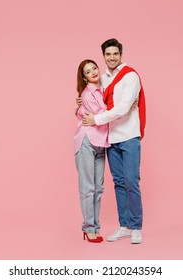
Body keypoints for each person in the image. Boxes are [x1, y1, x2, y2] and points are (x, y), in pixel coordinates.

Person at [82, 38, 146, 244]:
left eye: (115, 54)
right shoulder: (104, 78)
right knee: (118, 183)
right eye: (108, 54)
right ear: (104, 56)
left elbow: (123, 108)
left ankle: (136, 227)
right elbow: (91, 92)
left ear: (121, 54)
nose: (111, 57)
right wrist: (79, 103)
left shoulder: (130, 76)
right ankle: (124, 226)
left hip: (129, 135)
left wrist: (96, 119)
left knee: (131, 182)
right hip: (112, 138)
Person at [74, 59, 109, 243]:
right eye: (88, 71)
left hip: (101, 143)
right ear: (84, 77)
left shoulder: (104, 88)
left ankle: (95, 226)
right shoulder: (88, 94)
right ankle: (89, 228)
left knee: (99, 188)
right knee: (88, 188)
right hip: (87, 141)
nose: (93, 72)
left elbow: (103, 115)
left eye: (94, 68)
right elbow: (103, 113)